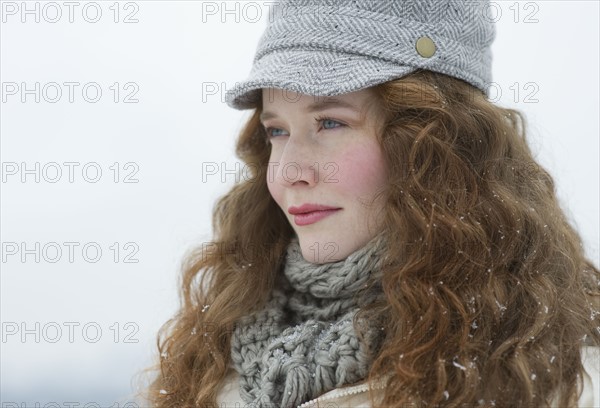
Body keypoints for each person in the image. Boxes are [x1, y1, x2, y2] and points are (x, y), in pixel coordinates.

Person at [146, 0, 600, 406]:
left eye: (330, 123)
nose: (288, 172)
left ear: (433, 145)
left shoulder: (557, 378)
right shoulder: (211, 351)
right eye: (277, 131)